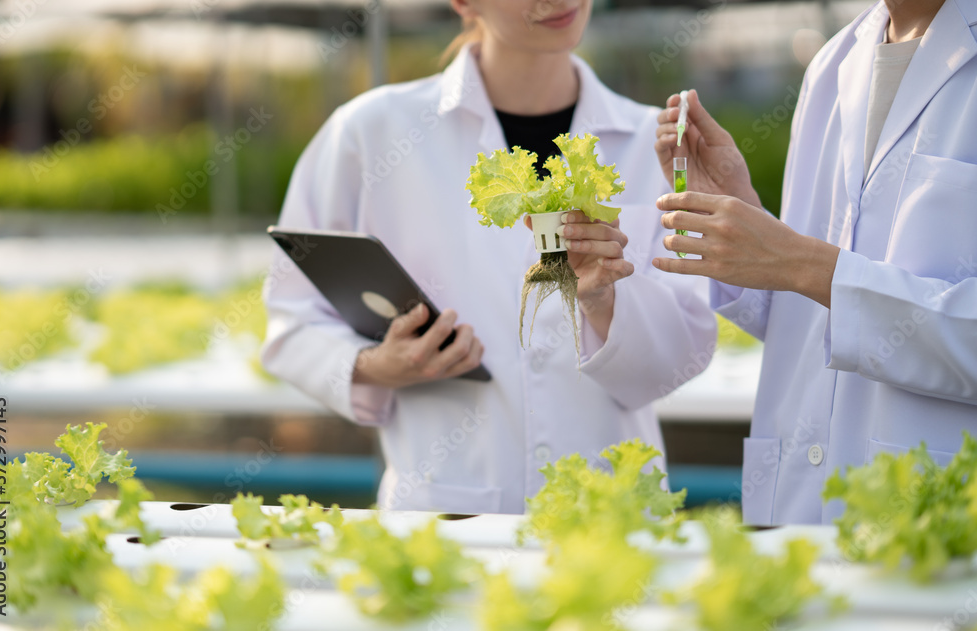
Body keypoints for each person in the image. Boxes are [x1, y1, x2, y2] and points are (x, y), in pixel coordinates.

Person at [261, 0, 716, 514]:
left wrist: (605, 301)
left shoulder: (652, 144)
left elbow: (685, 353)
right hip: (448, 513)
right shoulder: (370, 135)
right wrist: (375, 365)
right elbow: (292, 321)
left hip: (610, 522)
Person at [652, 0, 977, 524]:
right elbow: (816, 323)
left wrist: (804, 263)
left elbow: (824, 274)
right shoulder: (832, 64)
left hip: (935, 524)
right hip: (797, 506)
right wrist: (744, 217)